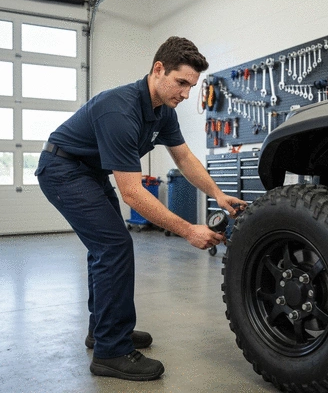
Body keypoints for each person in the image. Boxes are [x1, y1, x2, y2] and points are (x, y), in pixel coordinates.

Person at [35, 36, 247, 382]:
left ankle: (103, 331)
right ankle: (110, 352)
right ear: (158, 70)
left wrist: (217, 194)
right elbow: (133, 194)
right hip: (62, 170)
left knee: (107, 248)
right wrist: (189, 230)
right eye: (181, 82)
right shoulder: (120, 109)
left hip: (89, 170)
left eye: (191, 86)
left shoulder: (163, 111)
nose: (185, 93)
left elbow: (184, 158)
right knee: (114, 246)